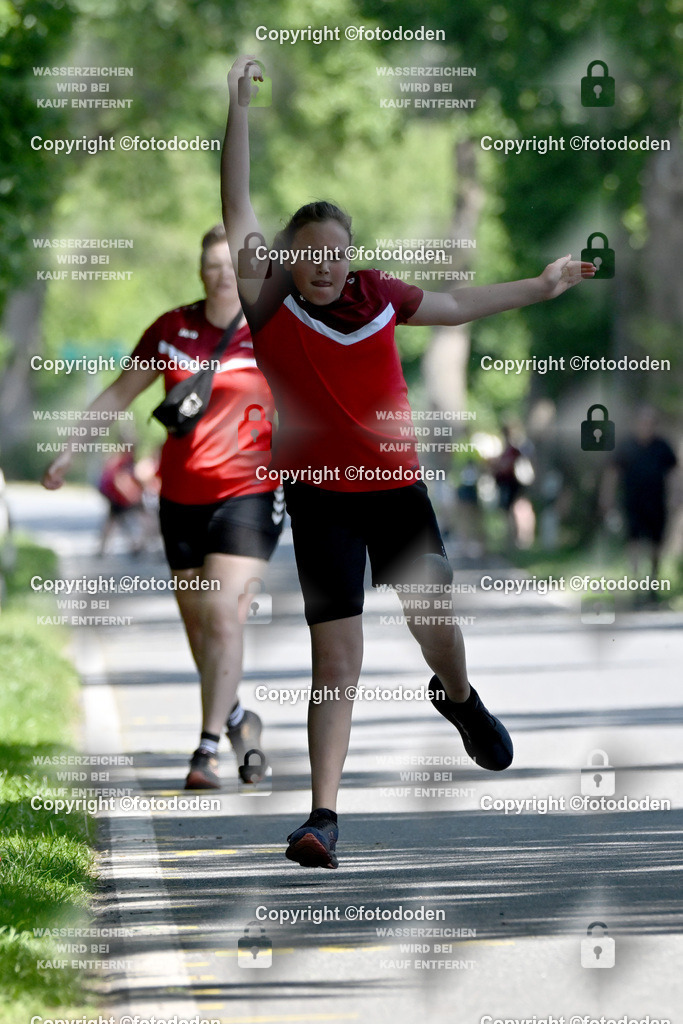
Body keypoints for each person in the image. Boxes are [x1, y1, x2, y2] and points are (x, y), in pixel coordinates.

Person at [222, 55, 595, 868]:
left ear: (351, 257)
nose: (322, 265)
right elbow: (237, 203)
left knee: (437, 633)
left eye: (335, 253)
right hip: (321, 498)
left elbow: (458, 304)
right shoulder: (271, 302)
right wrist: (238, 111)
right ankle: (321, 816)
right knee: (337, 658)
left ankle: (457, 698)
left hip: (396, 493)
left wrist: (540, 286)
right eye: (307, 252)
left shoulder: (380, 297)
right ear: (287, 256)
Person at [42, 225, 283, 789]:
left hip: (250, 493)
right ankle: (240, 720)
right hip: (180, 498)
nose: (222, 274)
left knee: (223, 614)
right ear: (200, 270)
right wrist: (70, 449)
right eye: (212, 264)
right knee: (200, 625)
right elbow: (120, 393)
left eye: (232, 265)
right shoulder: (171, 328)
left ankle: (205, 752)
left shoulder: (273, 328)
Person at [600, 405, 677, 584]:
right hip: (633, 501)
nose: (646, 426)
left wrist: (675, 496)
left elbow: (673, 473)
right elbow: (612, 473)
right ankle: (635, 581)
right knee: (633, 541)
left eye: (650, 422)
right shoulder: (626, 446)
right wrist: (607, 498)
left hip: (657, 501)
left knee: (656, 542)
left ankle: (653, 580)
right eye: (643, 422)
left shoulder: (662, 447)